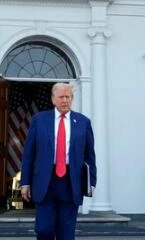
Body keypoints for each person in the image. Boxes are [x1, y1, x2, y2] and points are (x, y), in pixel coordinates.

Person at [21, 82, 96, 240]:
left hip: (71, 182)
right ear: (53, 99)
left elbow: (90, 156)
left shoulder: (83, 122)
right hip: (45, 182)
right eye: (61, 97)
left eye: (68, 97)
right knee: (44, 229)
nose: (65, 100)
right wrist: (25, 183)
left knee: (67, 234)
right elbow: (29, 153)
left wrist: (91, 182)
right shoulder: (39, 120)